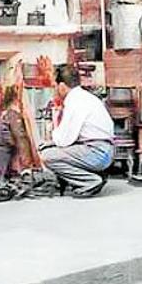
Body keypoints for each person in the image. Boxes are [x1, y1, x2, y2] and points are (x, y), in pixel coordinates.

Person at [39, 65, 115, 198]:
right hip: (106, 150)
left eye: (55, 86)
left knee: (47, 156)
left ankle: (89, 181)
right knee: (54, 149)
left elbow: (64, 140)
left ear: (62, 86)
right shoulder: (86, 97)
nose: (55, 90)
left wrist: (55, 118)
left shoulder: (74, 101)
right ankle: (95, 175)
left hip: (96, 153)